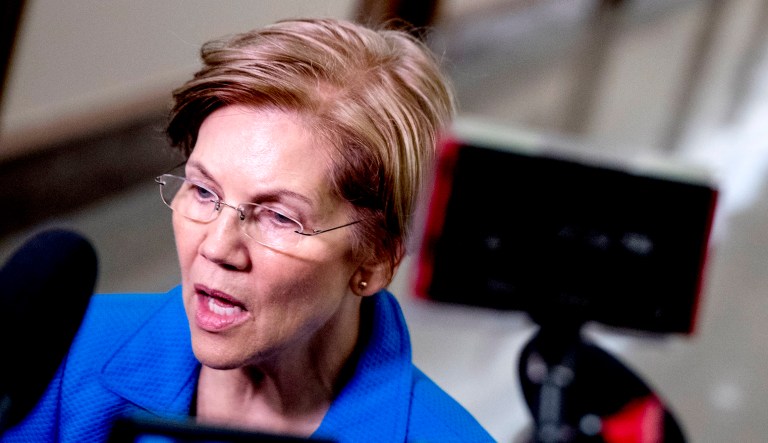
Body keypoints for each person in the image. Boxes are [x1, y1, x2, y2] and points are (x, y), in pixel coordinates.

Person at [1, 17, 494, 443]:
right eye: (202, 192)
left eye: (280, 217)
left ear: (376, 259)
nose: (216, 248)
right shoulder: (57, 358)